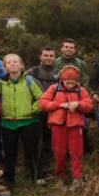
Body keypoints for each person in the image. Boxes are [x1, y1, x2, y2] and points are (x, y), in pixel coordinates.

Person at [0, 54, 43, 188]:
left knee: (31, 151)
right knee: (9, 153)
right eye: (9, 62)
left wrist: (32, 109)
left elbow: (42, 98)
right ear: (5, 67)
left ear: (21, 65)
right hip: (7, 123)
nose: (13, 64)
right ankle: (9, 180)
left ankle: (33, 177)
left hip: (29, 122)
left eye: (16, 62)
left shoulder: (29, 81)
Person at [38, 65, 93, 189]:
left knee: (76, 153)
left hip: (75, 126)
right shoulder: (54, 89)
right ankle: (60, 176)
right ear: (62, 80)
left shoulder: (81, 90)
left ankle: (77, 179)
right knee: (59, 153)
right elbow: (42, 103)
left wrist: (78, 104)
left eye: (73, 83)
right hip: (58, 126)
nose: (70, 85)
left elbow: (89, 105)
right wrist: (59, 105)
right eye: (68, 82)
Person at [27, 47, 59, 175]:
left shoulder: (59, 73)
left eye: (51, 56)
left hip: (53, 111)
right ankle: (30, 169)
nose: (48, 58)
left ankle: (44, 169)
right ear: (40, 57)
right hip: (35, 111)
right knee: (33, 141)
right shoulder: (31, 72)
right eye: (46, 55)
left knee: (49, 141)